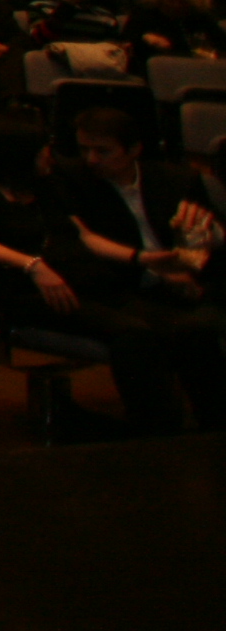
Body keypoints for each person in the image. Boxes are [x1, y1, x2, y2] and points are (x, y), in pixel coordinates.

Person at [53, 104, 226, 433]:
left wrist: (204, 243)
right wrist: (160, 272)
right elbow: (86, 246)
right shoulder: (72, 181)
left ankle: (213, 427)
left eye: (102, 151)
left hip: (185, 279)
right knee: (189, 331)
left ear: (134, 150)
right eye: (84, 149)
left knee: (199, 322)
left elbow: (202, 239)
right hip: (125, 285)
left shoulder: (175, 179)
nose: (91, 159)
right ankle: (179, 430)